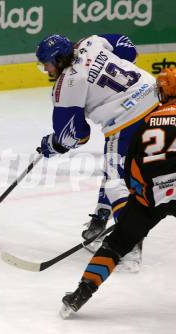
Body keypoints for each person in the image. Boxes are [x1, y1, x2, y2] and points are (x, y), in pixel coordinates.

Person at [36, 34, 160, 271]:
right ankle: (100, 221)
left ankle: (129, 245)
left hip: (126, 120)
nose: (46, 68)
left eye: (47, 64)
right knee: (116, 167)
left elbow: (74, 135)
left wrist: (52, 144)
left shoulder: (68, 84)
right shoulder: (90, 42)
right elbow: (128, 48)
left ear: (59, 60)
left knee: (115, 182)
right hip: (159, 99)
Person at [60, 68, 176, 317]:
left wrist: (139, 196)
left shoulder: (147, 121)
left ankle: (79, 295)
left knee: (115, 245)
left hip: (150, 197)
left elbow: (130, 167)